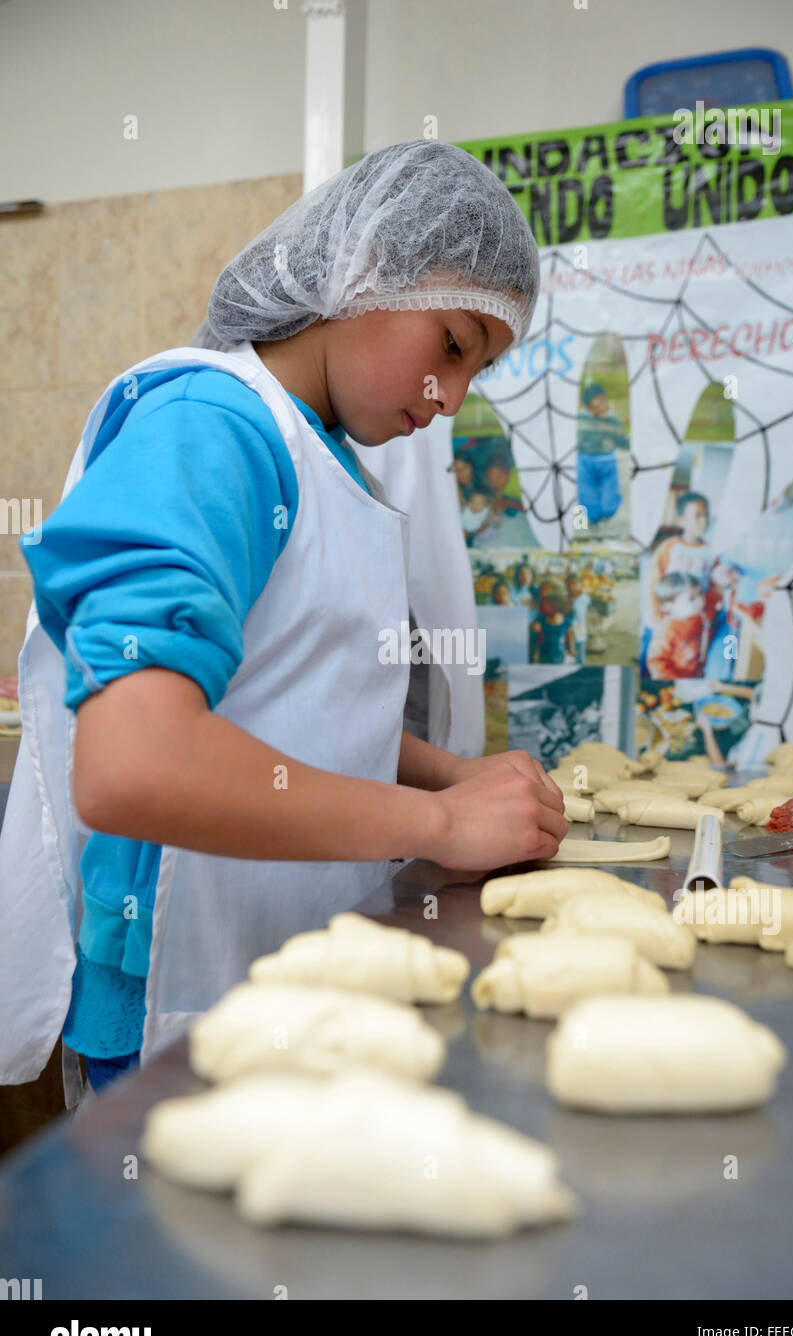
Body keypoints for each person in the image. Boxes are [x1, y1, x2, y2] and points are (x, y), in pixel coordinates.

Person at [0, 140, 567, 1097]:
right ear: (364, 272)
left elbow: (297, 712)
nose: (452, 398)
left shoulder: (324, 456)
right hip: (180, 995)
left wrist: (455, 777)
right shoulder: (210, 427)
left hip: (281, 978)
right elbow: (132, 766)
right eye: (454, 344)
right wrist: (439, 820)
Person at [575, 383, 629, 526]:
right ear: (588, 407)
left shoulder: (612, 421)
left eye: (603, 402)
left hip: (606, 460)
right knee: (586, 493)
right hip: (585, 460)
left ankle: (608, 515)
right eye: (596, 405)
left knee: (609, 494)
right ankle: (588, 521)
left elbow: (622, 440)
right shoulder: (580, 420)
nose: (601, 408)